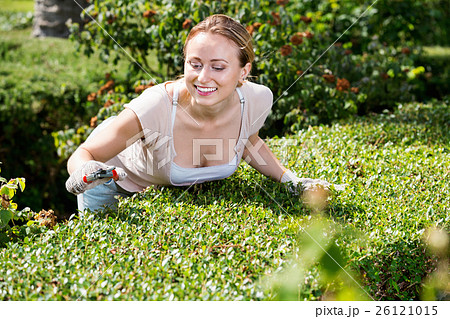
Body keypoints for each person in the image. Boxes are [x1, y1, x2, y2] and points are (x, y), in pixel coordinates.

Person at [66, 14, 342, 212]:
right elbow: (84, 153)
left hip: (161, 194)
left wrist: (292, 181)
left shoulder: (257, 99)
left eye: (218, 67)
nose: (203, 78)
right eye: (195, 64)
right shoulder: (156, 106)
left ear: (243, 71)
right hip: (113, 189)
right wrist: (85, 171)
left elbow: (248, 142)